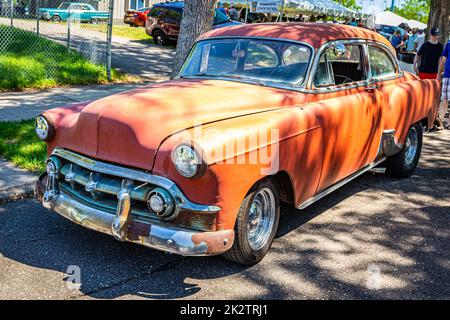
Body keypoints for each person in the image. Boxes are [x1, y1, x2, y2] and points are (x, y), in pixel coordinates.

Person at [436, 40, 450, 129]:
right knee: (444, 99)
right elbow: (443, 59)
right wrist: (439, 74)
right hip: (447, 75)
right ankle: (439, 122)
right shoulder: (449, 43)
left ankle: (449, 123)